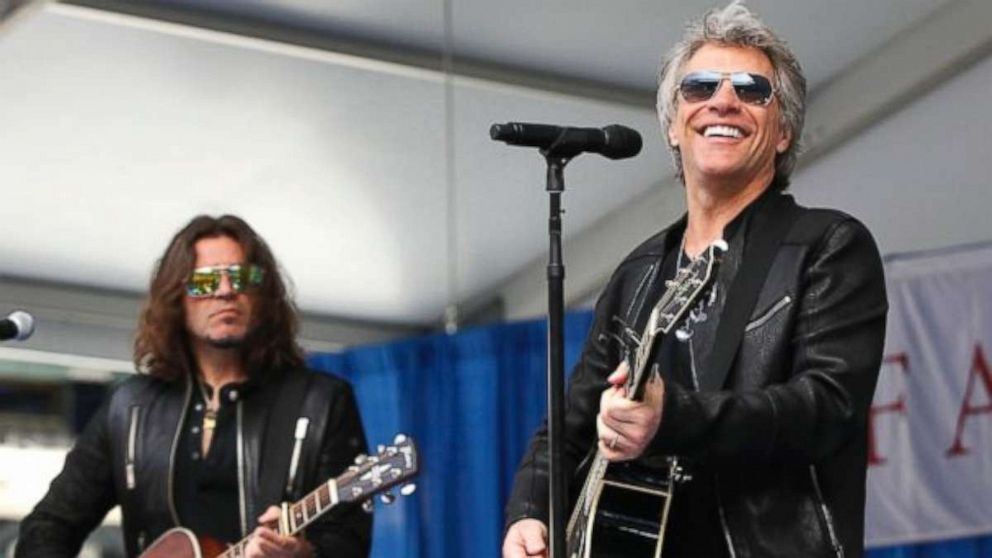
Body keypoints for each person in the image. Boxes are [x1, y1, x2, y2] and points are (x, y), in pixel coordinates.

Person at [502, 2, 888, 558]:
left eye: (753, 89)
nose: (723, 100)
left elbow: (827, 409)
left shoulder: (827, 247)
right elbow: (569, 426)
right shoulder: (639, 275)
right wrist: (531, 511)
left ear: (783, 133)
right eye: (699, 86)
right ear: (673, 127)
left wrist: (673, 418)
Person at [17, 215, 372, 557]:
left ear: (263, 294)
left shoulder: (320, 401)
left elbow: (349, 541)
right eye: (204, 281)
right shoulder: (131, 408)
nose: (225, 291)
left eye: (241, 277)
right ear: (176, 298)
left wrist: (303, 555)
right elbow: (49, 524)